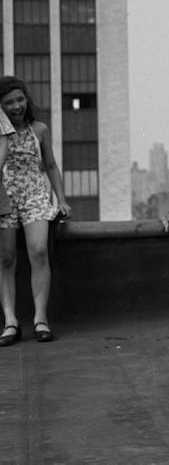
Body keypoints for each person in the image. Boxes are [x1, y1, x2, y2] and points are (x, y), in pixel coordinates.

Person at [0, 76, 71, 346]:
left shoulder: (39, 129)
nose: (16, 106)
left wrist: (61, 199)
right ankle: (10, 321)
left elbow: (51, 165)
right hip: (4, 195)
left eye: (20, 99)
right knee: (5, 258)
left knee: (39, 251)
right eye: (8, 102)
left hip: (35, 194)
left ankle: (40, 318)